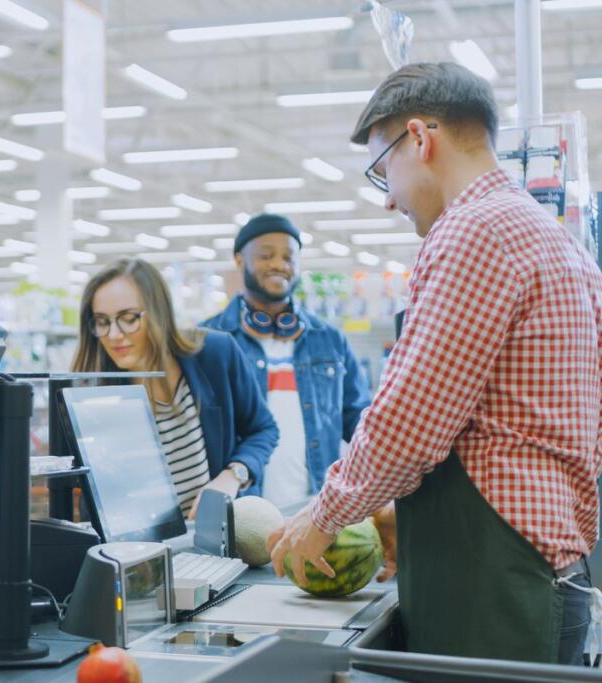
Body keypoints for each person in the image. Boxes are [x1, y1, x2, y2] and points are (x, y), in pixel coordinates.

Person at [268, 62, 602, 665]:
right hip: (546, 565)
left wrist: (327, 515)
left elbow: (408, 420)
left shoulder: (471, 231)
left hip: (494, 584)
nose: (389, 200)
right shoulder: (556, 241)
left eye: (382, 171)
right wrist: (398, 510)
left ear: (421, 139)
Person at [72, 258, 279, 518]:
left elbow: (263, 429)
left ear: (158, 313)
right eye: (102, 322)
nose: (114, 334)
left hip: (217, 541)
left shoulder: (215, 354)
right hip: (141, 549)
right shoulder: (97, 395)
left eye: (128, 318)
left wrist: (232, 476)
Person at [201, 214, 370, 507]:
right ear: (240, 260)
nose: (279, 264)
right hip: (242, 510)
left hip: (317, 510)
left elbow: (359, 421)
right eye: (266, 255)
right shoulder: (210, 340)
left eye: (289, 257)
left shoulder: (329, 339)